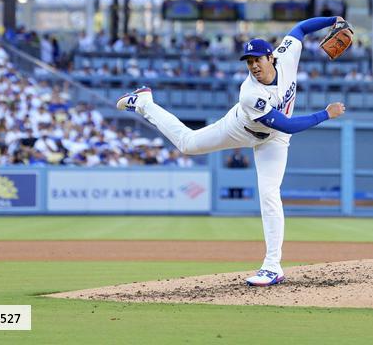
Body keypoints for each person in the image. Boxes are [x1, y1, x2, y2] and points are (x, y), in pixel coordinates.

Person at [117, 15, 346, 286]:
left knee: (270, 195)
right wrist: (325, 114)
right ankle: (145, 103)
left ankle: (272, 266)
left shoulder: (286, 55)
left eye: (257, 60)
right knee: (188, 144)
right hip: (240, 128)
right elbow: (287, 124)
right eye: (249, 62)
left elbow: (300, 28)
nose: (253, 66)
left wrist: (333, 19)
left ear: (270, 57)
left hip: (275, 140)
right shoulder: (249, 92)